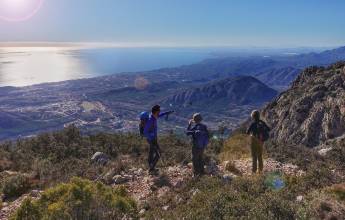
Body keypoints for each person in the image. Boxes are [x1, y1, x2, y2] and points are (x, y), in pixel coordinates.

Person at [143, 105, 174, 174]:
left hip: (153, 139)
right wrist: (152, 135)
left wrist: (166, 113)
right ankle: (151, 168)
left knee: (151, 153)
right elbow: (145, 132)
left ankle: (151, 168)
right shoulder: (151, 120)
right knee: (158, 154)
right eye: (159, 111)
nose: (160, 112)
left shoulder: (154, 116)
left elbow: (159, 115)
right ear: (156, 111)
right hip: (152, 140)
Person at [186, 113, 209, 177]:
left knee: (194, 159)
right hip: (202, 146)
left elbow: (187, 132)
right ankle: (202, 172)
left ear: (194, 120)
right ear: (201, 119)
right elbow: (208, 135)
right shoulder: (204, 127)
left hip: (195, 146)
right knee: (200, 158)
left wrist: (189, 124)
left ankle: (196, 174)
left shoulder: (195, 128)